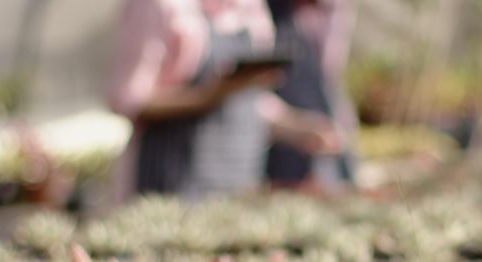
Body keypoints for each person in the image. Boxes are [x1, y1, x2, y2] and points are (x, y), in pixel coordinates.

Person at [108, 0, 339, 199]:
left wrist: (296, 127)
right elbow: (129, 99)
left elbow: (250, 102)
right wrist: (210, 96)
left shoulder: (250, 8)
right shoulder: (161, 6)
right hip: (171, 183)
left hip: (239, 182)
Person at [265, 0, 357, 193]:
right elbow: (244, 95)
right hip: (276, 144)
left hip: (322, 128)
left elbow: (329, 78)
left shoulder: (335, 10)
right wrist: (292, 125)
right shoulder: (262, 11)